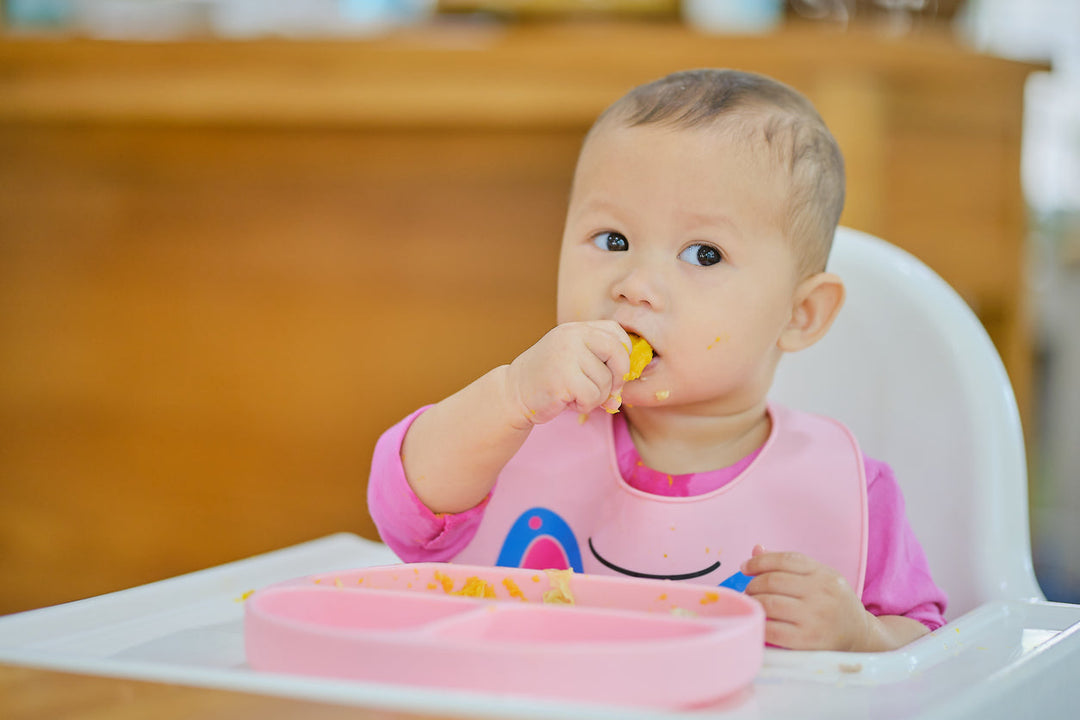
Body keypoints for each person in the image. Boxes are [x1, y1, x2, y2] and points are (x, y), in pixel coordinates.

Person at [368, 69, 947, 652]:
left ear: (800, 314)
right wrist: (513, 394)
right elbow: (406, 511)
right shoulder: (520, 430)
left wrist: (861, 636)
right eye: (613, 240)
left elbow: (931, 650)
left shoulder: (848, 487)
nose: (636, 285)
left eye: (703, 254)